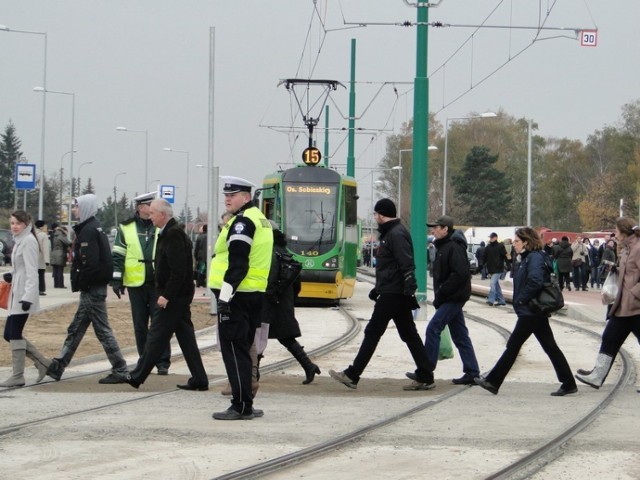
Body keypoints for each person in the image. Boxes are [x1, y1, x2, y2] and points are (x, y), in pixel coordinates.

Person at [329, 198, 434, 391]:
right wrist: (378, 288)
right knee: (409, 334)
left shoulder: (396, 234)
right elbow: (391, 266)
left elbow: (405, 262)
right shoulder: (392, 233)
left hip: (394, 293)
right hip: (393, 291)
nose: (375, 217)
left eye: (376, 214)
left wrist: (408, 285)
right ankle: (426, 374)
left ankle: (353, 374)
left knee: (373, 332)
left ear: (382, 214)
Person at [475, 227, 577, 396]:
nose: (513, 244)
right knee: (550, 347)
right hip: (533, 310)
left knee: (513, 345)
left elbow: (535, 281)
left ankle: (493, 380)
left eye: (516, 241)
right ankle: (568, 382)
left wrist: (522, 299)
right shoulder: (529, 257)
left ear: (526, 242)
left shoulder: (534, 258)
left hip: (531, 310)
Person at [125, 199, 208, 390]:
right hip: (178, 297)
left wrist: (166, 295)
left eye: (153, 213)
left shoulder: (173, 235)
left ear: (162, 215)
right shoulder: (169, 233)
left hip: (173, 299)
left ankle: (136, 376)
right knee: (187, 340)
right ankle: (200, 379)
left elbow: (178, 271)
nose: (150, 216)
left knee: (155, 337)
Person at [46, 194, 129, 384]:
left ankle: (121, 369)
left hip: (92, 289)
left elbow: (90, 264)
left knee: (102, 331)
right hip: (93, 288)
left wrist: (82, 282)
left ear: (85, 208)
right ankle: (58, 366)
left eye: (76, 207)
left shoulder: (89, 231)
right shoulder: (92, 228)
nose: (74, 210)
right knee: (76, 328)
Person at [209, 176, 273, 420]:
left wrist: (225, 297)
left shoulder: (242, 223)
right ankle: (246, 401)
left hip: (237, 296)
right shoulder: (260, 220)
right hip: (253, 294)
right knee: (244, 350)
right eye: (226, 195)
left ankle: (240, 405)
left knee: (234, 350)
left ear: (246, 197)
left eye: (232, 195)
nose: (227, 199)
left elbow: (238, 263)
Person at [575, 218, 640, 390]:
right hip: (623, 306)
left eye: (617, 231)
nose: (615, 234)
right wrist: (615, 270)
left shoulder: (638, 248)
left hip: (635, 306)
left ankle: (597, 375)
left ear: (625, 232)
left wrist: (634, 294)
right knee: (609, 338)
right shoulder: (626, 248)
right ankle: (597, 376)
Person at [111, 191, 171, 376]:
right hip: (135, 283)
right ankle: (145, 359)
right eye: (149, 205)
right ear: (141, 208)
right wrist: (117, 279)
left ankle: (162, 361)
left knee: (159, 323)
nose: (152, 209)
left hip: (157, 282)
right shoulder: (126, 227)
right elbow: (118, 254)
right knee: (140, 324)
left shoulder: (160, 226)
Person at [423, 215, 480, 385]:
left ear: (445, 229)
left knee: (433, 329)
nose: (433, 230)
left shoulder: (453, 247)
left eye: (436, 227)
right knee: (460, 335)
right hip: (452, 296)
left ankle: (425, 372)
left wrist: (442, 292)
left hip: (453, 297)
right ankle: (472, 372)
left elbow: (460, 274)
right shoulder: (444, 246)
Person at [261, 222, 320, 384]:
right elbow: (296, 283)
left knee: (258, 335)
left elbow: (270, 278)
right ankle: (308, 366)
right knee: (284, 337)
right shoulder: (283, 251)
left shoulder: (269, 251)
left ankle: (252, 375)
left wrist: (269, 296)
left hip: (270, 301)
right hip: (282, 300)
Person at [0, 211, 51, 387]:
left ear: (26, 224)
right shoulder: (19, 240)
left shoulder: (28, 241)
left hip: (24, 295)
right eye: (12, 223)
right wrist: (11, 275)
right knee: (9, 334)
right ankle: (44, 363)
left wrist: (28, 296)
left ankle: (18, 375)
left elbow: (32, 272)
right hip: (17, 292)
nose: (14, 226)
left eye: (18, 223)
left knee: (13, 334)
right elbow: (20, 268)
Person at [484, 232, 507, 306]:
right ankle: (501, 300)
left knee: (492, 283)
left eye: (492, 237)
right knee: (496, 285)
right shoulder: (488, 247)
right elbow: (485, 257)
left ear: (496, 237)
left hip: (498, 268)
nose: (490, 239)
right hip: (491, 269)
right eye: (490, 237)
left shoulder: (500, 246)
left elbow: (504, 256)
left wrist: (508, 265)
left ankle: (491, 300)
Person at [50, 224, 71, 288]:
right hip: (60, 254)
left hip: (53, 253)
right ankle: (60, 285)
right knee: (60, 271)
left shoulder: (54, 235)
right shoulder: (61, 236)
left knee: (55, 270)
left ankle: (56, 284)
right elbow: (68, 243)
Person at [34, 220, 50, 296]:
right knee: (41, 275)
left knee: (33, 275)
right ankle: (41, 289)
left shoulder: (32, 234)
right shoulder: (43, 235)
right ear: (42, 226)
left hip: (32, 258)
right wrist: (47, 260)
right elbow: (46, 248)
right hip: (40, 258)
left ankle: (34, 289)